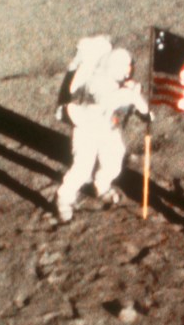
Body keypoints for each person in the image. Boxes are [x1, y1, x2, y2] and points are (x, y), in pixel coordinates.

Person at [55, 37, 151, 223]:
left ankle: (101, 185)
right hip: (87, 129)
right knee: (82, 168)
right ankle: (64, 199)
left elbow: (129, 101)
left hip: (108, 128)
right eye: (125, 69)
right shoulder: (99, 83)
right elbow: (116, 100)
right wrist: (135, 98)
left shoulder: (117, 84)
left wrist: (140, 106)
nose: (128, 72)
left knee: (114, 161)